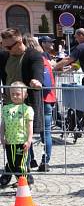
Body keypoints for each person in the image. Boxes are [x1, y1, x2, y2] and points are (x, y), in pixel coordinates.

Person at [0, 30, 44, 174]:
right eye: (3, 45)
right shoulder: (4, 56)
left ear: (19, 42)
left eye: (8, 46)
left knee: (23, 139)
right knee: (11, 139)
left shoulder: (33, 55)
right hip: (8, 103)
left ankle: (22, 174)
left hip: (26, 104)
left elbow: (37, 70)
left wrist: (36, 81)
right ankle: (15, 170)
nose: (5, 49)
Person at [22, 34, 56, 172]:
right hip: (48, 99)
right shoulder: (45, 59)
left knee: (26, 132)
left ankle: (30, 161)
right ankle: (45, 162)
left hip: (34, 100)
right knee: (46, 133)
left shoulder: (28, 60)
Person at [0, 82, 34, 187]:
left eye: (18, 94)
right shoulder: (6, 108)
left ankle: (24, 185)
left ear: (25, 95)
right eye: (12, 94)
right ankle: (21, 181)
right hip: (10, 142)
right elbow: (3, 124)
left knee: (21, 165)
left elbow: (29, 126)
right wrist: (2, 137)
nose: (15, 96)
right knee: (11, 164)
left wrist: (29, 140)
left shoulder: (27, 109)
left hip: (21, 142)